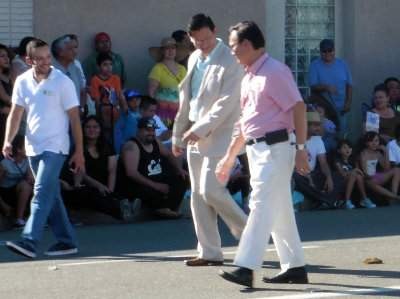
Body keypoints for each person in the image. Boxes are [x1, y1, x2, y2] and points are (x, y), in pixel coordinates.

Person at [216, 21, 309, 288]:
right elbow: (246, 124)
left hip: (277, 148)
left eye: (234, 46)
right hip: (258, 150)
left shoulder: (275, 72)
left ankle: (245, 266)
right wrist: (230, 156)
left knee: (260, 203)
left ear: (247, 45)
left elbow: (298, 109)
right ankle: (295, 267)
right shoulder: (249, 77)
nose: (232, 52)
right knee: (278, 209)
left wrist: (301, 149)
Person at [172, 13, 247, 267]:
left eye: (205, 38)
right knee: (197, 195)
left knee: (211, 189)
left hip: (222, 133)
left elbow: (227, 102)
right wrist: (178, 135)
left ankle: (248, 232)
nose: (202, 44)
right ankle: (209, 251)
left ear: (214, 31)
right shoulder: (194, 57)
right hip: (194, 131)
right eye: (196, 40)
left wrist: (201, 129)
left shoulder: (231, 59)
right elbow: (187, 100)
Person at [2, 39, 84, 258]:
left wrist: (79, 151)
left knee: (40, 192)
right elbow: (16, 113)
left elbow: (75, 119)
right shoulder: (21, 81)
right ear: (29, 60)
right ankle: (67, 241)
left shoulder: (62, 81)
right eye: (40, 58)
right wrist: (8, 140)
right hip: (33, 147)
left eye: (49, 57)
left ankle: (29, 240)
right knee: (51, 194)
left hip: (56, 147)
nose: (46, 62)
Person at [61, 116, 131, 221]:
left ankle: (122, 205)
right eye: (88, 127)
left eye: (95, 127)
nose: (92, 130)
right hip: (84, 185)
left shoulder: (107, 146)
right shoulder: (78, 149)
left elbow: (112, 170)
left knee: (117, 183)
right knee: (91, 194)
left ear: (100, 129)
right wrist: (98, 185)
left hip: (104, 184)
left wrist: (109, 191)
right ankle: (120, 211)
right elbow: (80, 173)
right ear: (83, 130)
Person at [116, 117, 187, 219]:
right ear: (139, 130)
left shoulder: (155, 142)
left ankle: (168, 208)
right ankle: (158, 208)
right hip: (139, 183)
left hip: (156, 179)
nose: (151, 133)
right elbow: (131, 173)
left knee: (182, 177)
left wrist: (179, 169)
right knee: (148, 189)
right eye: (147, 130)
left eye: (153, 130)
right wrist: (156, 185)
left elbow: (168, 154)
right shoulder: (131, 146)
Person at [308, 39, 352, 136]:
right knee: (324, 136)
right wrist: (326, 87)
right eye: (324, 51)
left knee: (341, 134)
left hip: (341, 108)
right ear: (320, 52)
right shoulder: (314, 65)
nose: (327, 53)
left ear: (334, 50)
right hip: (324, 109)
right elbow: (313, 85)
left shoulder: (342, 64)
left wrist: (348, 102)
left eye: (330, 50)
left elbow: (349, 85)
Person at [148, 37, 187, 128]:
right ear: (162, 51)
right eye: (167, 48)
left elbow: (187, 89)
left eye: (173, 48)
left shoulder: (182, 69)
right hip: (163, 113)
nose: (170, 51)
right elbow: (151, 92)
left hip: (180, 111)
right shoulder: (158, 68)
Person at [89, 52, 127, 143]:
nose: (109, 67)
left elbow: (119, 95)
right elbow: (97, 100)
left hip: (115, 111)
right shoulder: (95, 80)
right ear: (99, 66)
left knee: (116, 135)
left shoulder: (115, 78)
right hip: (103, 112)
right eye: (105, 64)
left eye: (110, 64)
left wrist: (125, 107)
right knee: (106, 135)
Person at [0, 135, 33, 228]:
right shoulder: (4, 164)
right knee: (25, 186)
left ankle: (21, 218)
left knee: (29, 185)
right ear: (18, 149)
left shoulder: (27, 161)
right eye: (26, 145)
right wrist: (3, 205)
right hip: (5, 194)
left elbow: (31, 179)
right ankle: (17, 219)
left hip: (18, 191)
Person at [359, 131, 400, 205]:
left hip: (377, 176)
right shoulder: (363, 154)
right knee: (369, 182)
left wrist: (386, 152)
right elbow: (365, 171)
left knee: (397, 169)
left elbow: (386, 169)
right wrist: (371, 176)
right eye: (371, 141)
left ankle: (393, 194)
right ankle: (396, 197)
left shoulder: (378, 153)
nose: (374, 143)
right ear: (366, 143)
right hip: (368, 178)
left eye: (376, 141)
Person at [51, 35, 86, 111]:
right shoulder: (51, 70)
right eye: (70, 49)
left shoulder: (76, 66)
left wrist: (82, 108)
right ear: (60, 52)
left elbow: (83, 90)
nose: (75, 52)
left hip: (76, 112)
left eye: (75, 48)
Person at [334, 139, 370, 209]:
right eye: (344, 147)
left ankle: (364, 199)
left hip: (354, 182)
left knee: (358, 176)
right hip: (341, 181)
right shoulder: (337, 160)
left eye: (349, 147)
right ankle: (347, 201)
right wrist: (354, 171)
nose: (348, 149)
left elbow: (359, 172)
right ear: (339, 150)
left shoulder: (353, 160)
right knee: (354, 174)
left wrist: (357, 171)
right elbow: (343, 174)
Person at [0, 43, 12, 146]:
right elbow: (5, 98)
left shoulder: (7, 76)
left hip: (8, 119)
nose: (6, 59)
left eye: (7, 56)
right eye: (2, 56)